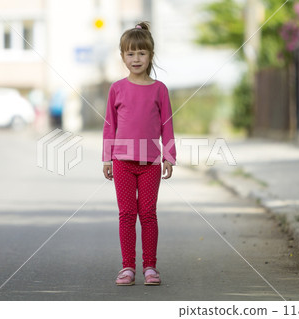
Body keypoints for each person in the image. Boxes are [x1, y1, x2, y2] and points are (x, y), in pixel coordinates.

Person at [102, 21, 176, 286]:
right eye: (130, 54)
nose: (136, 59)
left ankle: (150, 267)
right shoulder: (117, 89)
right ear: (122, 57)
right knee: (126, 213)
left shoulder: (160, 90)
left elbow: (167, 125)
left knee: (147, 212)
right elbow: (110, 124)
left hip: (150, 163)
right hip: (122, 162)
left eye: (141, 53)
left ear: (150, 55)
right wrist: (107, 157)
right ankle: (127, 267)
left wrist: (169, 156)